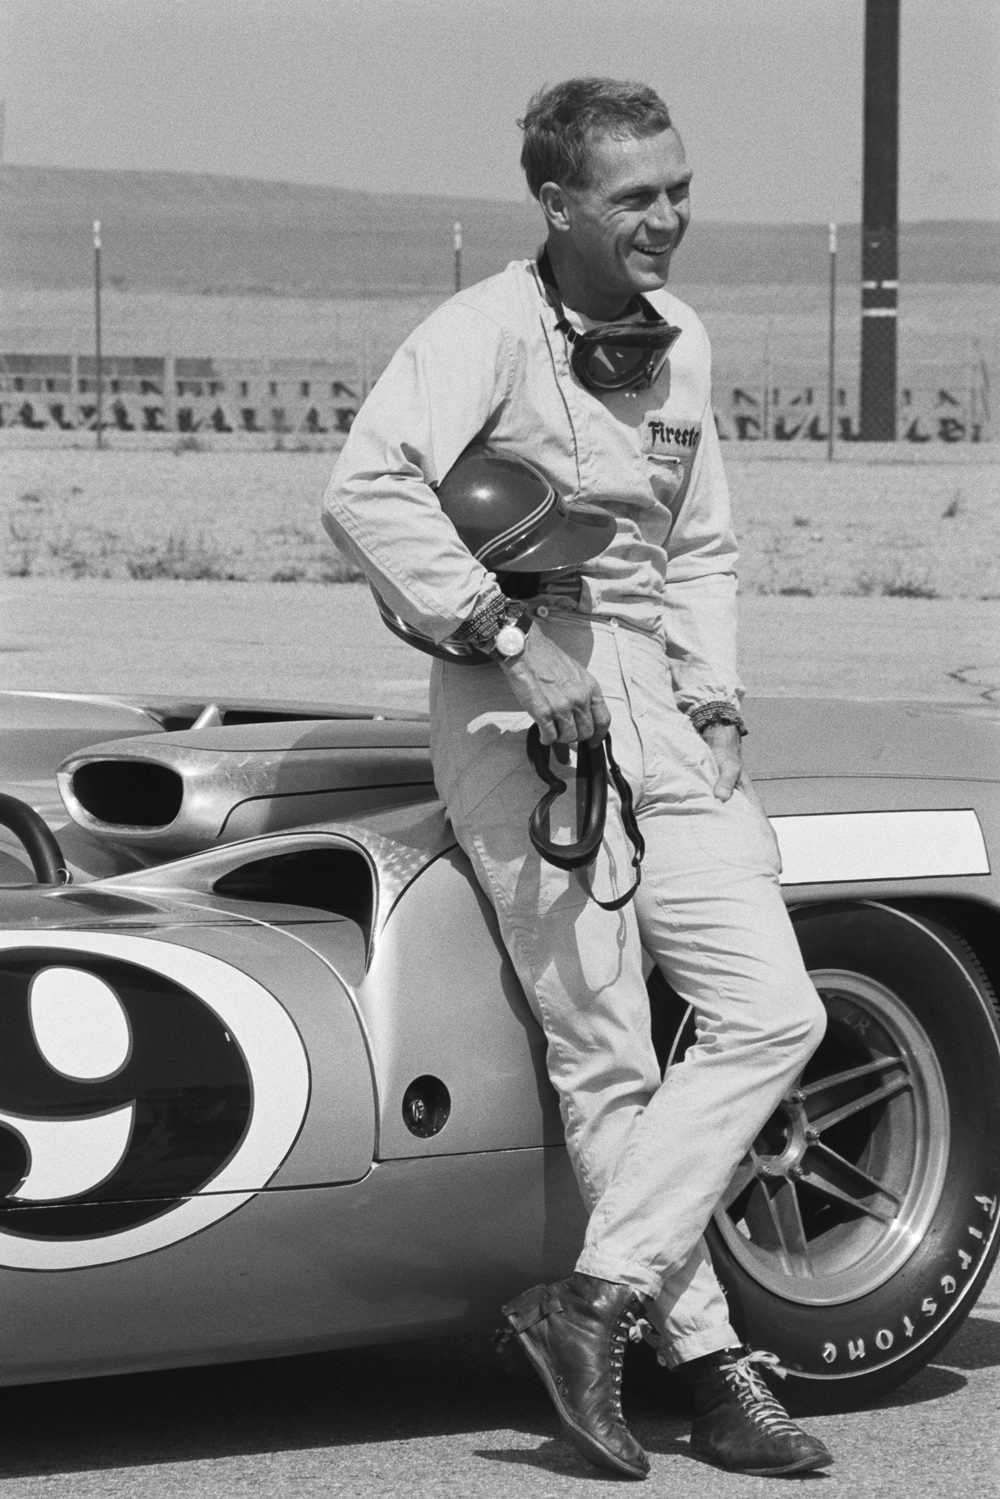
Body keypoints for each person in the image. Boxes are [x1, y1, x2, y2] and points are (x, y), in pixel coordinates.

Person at [323, 77, 833, 1481]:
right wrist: (498, 638)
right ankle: (719, 1372)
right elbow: (369, 490)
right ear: (559, 205)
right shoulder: (480, 332)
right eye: (635, 196)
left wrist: (719, 700)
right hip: (516, 712)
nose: (669, 216)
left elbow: (702, 545)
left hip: (668, 715)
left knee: (769, 1015)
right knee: (604, 1051)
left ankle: (593, 1298)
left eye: (678, 186)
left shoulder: (684, 344)